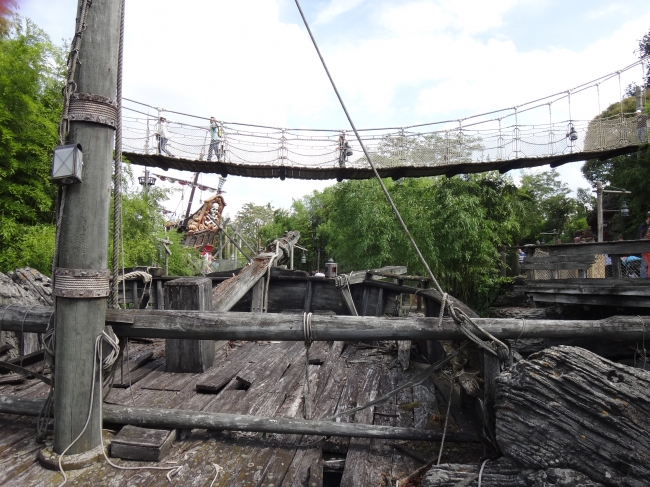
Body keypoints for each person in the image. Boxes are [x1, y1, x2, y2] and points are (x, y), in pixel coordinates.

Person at [638, 212, 650, 279]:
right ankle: (643, 279)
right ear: (648, 218)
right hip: (644, 248)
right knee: (644, 264)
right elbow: (639, 237)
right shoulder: (642, 226)